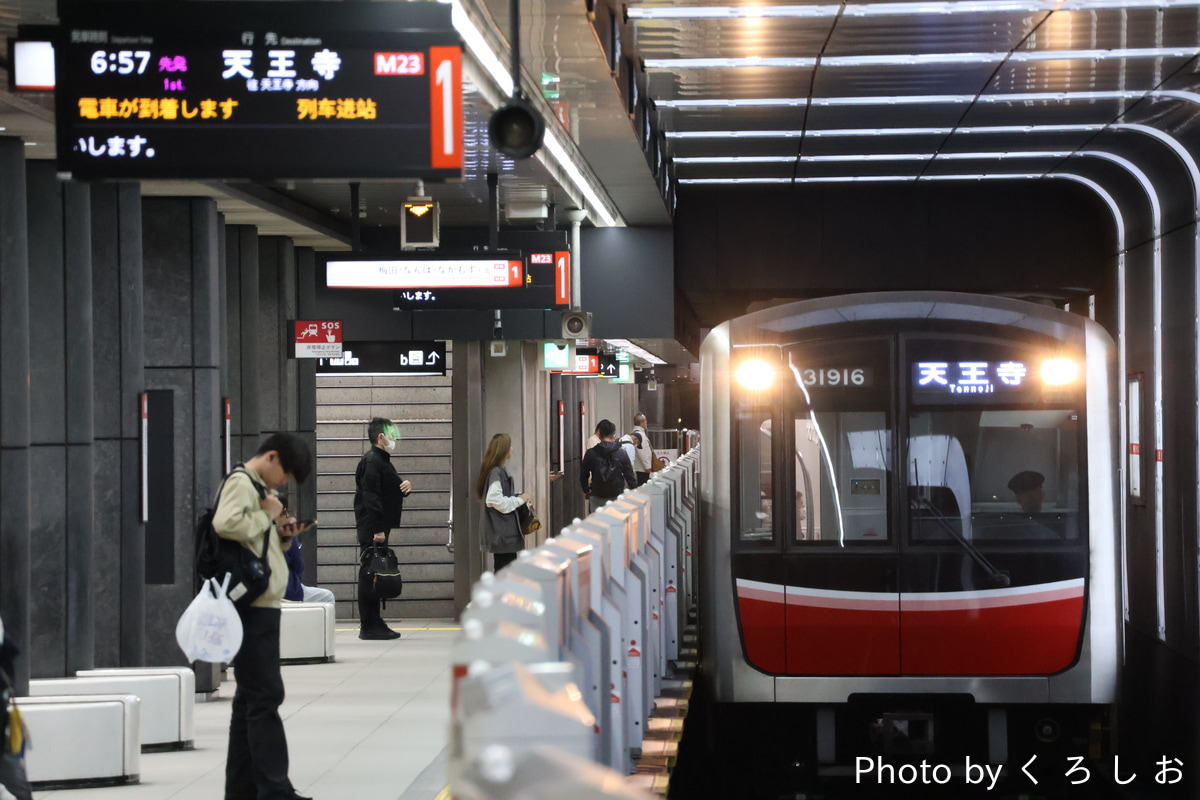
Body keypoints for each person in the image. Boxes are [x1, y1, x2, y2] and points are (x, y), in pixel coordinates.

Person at [214, 432, 313, 800]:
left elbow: (253, 537)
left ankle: (240, 790)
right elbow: (225, 525)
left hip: (261, 604)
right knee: (266, 694)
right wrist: (267, 515)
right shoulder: (242, 483)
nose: (284, 482)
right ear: (270, 457)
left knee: (250, 700)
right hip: (253, 607)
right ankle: (275, 790)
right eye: (285, 473)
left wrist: (282, 533)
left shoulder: (256, 487)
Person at [353, 418, 411, 640]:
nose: (394, 439)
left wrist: (404, 487)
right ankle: (369, 624)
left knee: (373, 572)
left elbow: (384, 489)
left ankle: (373, 622)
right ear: (380, 437)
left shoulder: (381, 460)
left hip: (377, 525)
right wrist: (377, 529)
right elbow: (371, 495)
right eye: (392, 435)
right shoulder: (373, 461)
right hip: (373, 527)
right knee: (370, 573)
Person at [475, 433, 530, 572]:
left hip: (502, 534)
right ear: (504, 450)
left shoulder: (497, 471)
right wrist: (519, 500)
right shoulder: (496, 472)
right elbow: (494, 500)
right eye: (510, 446)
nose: (512, 449)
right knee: (504, 571)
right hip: (503, 533)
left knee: (503, 570)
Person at [581, 419, 637, 513]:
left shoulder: (591, 453)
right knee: (616, 524)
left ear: (599, 435)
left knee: (597, 524)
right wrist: (635, 491)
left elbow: (583, 475)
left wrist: (586, 490)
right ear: (614, 435)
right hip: (617, 496)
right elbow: (629, 475)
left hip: (597, 495)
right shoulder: (621, 453)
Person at [283, 539, 335, 604]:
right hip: (288, 591)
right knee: (328, 597)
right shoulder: (286, 533)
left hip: (268, 591)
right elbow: (298, 566)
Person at [632, 413, 654, 486]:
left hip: (640, 468)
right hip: (643, 469)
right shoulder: (640, 435)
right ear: (641, 422)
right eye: (645, 421)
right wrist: (647, 467)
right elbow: (642, 452)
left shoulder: (637, 433)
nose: (646, 422)